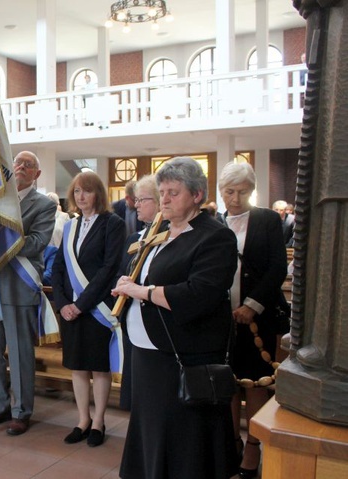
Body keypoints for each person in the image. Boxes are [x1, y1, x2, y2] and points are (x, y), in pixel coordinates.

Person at [111, 157, 239, 479]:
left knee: (184, 442)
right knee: (152, 431)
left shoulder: (215, 236)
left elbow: (199, 295)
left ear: (197, 195)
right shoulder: (162, 231)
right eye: (162, 192)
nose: (164, 200)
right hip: (148, 355)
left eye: (173, 193)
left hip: (183, 357)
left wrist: (142, 291)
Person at [218, 162, 288, 479]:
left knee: (256, 382)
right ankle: (232, 443)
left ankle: (253, 447)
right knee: (228, 383)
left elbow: (277, 268)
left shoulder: (267, 219)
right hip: (223, 318)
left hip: (256, 318)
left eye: (242, 191)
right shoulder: (215, 223)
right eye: (229, 191)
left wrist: (252, 305)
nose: (235, 198)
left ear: (252, 190)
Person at [0, 151, 56, 436]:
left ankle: (21, 411)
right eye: (18, 163)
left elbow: (38, 243)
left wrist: (4, 236)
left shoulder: (44, 206)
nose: (22, 167)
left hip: (19, 285)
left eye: (29, 165)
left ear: (37, 174)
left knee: (20, 353)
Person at [52, 171, 125, 447]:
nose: (81, 196)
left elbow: (109, 269)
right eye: (77, 191)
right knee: (78, 367)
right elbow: (57, 267)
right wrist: (62, 304)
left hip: (96, 309)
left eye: (87, 191)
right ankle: (82, 420)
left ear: (98, 194)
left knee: (98, 367)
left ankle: (98, 421)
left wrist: (81, 305)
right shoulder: (70, 225)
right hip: (70, 309)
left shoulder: (112, 224)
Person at [114, 174, 164, 411]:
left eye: (142, 199)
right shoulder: (135, 238)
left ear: (159, 201)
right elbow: (125, 270)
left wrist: (137, 289)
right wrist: (123, 282)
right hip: (132, 321)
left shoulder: (167, 237)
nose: (136, 205)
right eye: (136, 199)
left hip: (157, 322)